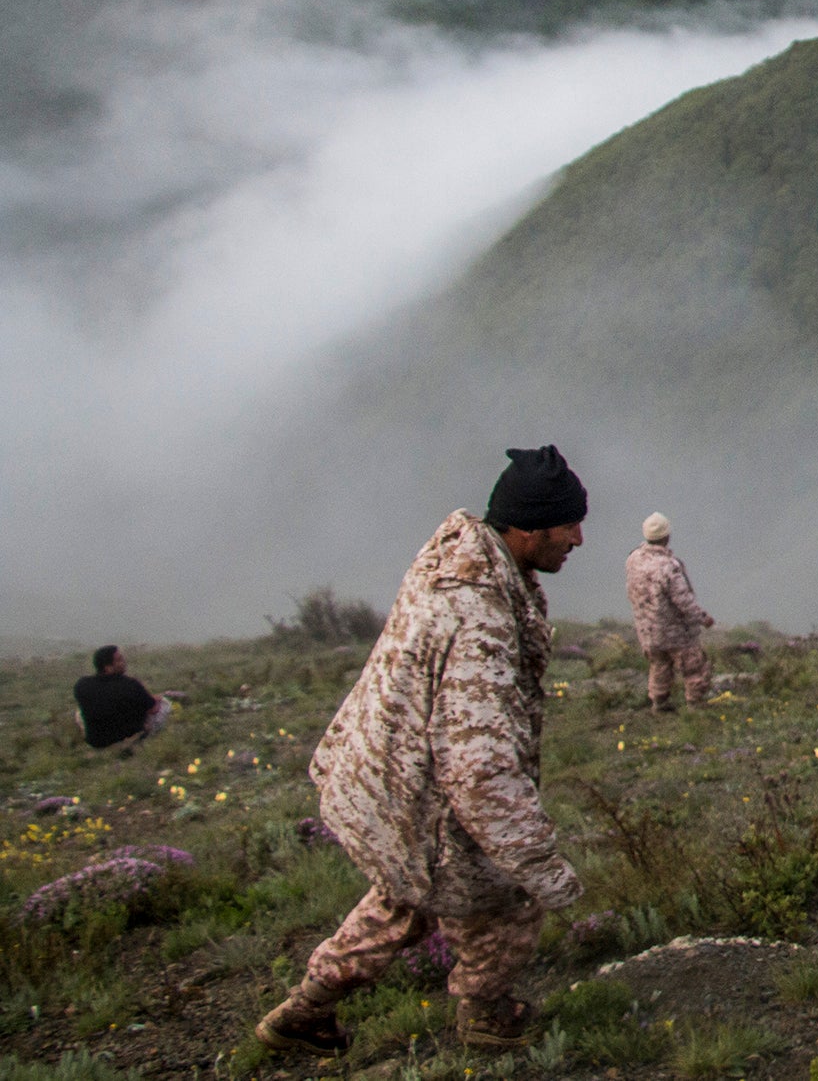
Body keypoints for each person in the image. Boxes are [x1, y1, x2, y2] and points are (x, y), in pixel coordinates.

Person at [256, 446, 589, 1057]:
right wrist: (543, 869)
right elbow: (480, 769)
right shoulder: (478, 618)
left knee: (403, 899)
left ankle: (305, 1011)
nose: (579, 538)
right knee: (505, 895)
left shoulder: (457, 558)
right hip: (420, 798)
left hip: (383, 782)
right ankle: (487, 1016)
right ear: (528, 527)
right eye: (568, 524)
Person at [626, 512, 715, 711]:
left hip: (648, 630)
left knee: (659, 665)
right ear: (666, 536)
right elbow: (682, 600)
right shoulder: (668, 566)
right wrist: (702, 618)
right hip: (675, 630)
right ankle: (695, 705)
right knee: (693, 667)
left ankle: (659, 703)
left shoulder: (633, 560)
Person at [72, 646, 175, 749]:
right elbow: (153, 709)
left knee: (79, 712)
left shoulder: (82, 685)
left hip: (96, 742)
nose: (123, 662)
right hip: (128, 738)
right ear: (107, 667)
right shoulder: (130, 684)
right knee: (164, 705)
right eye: (119, 660)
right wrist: (158, 699)